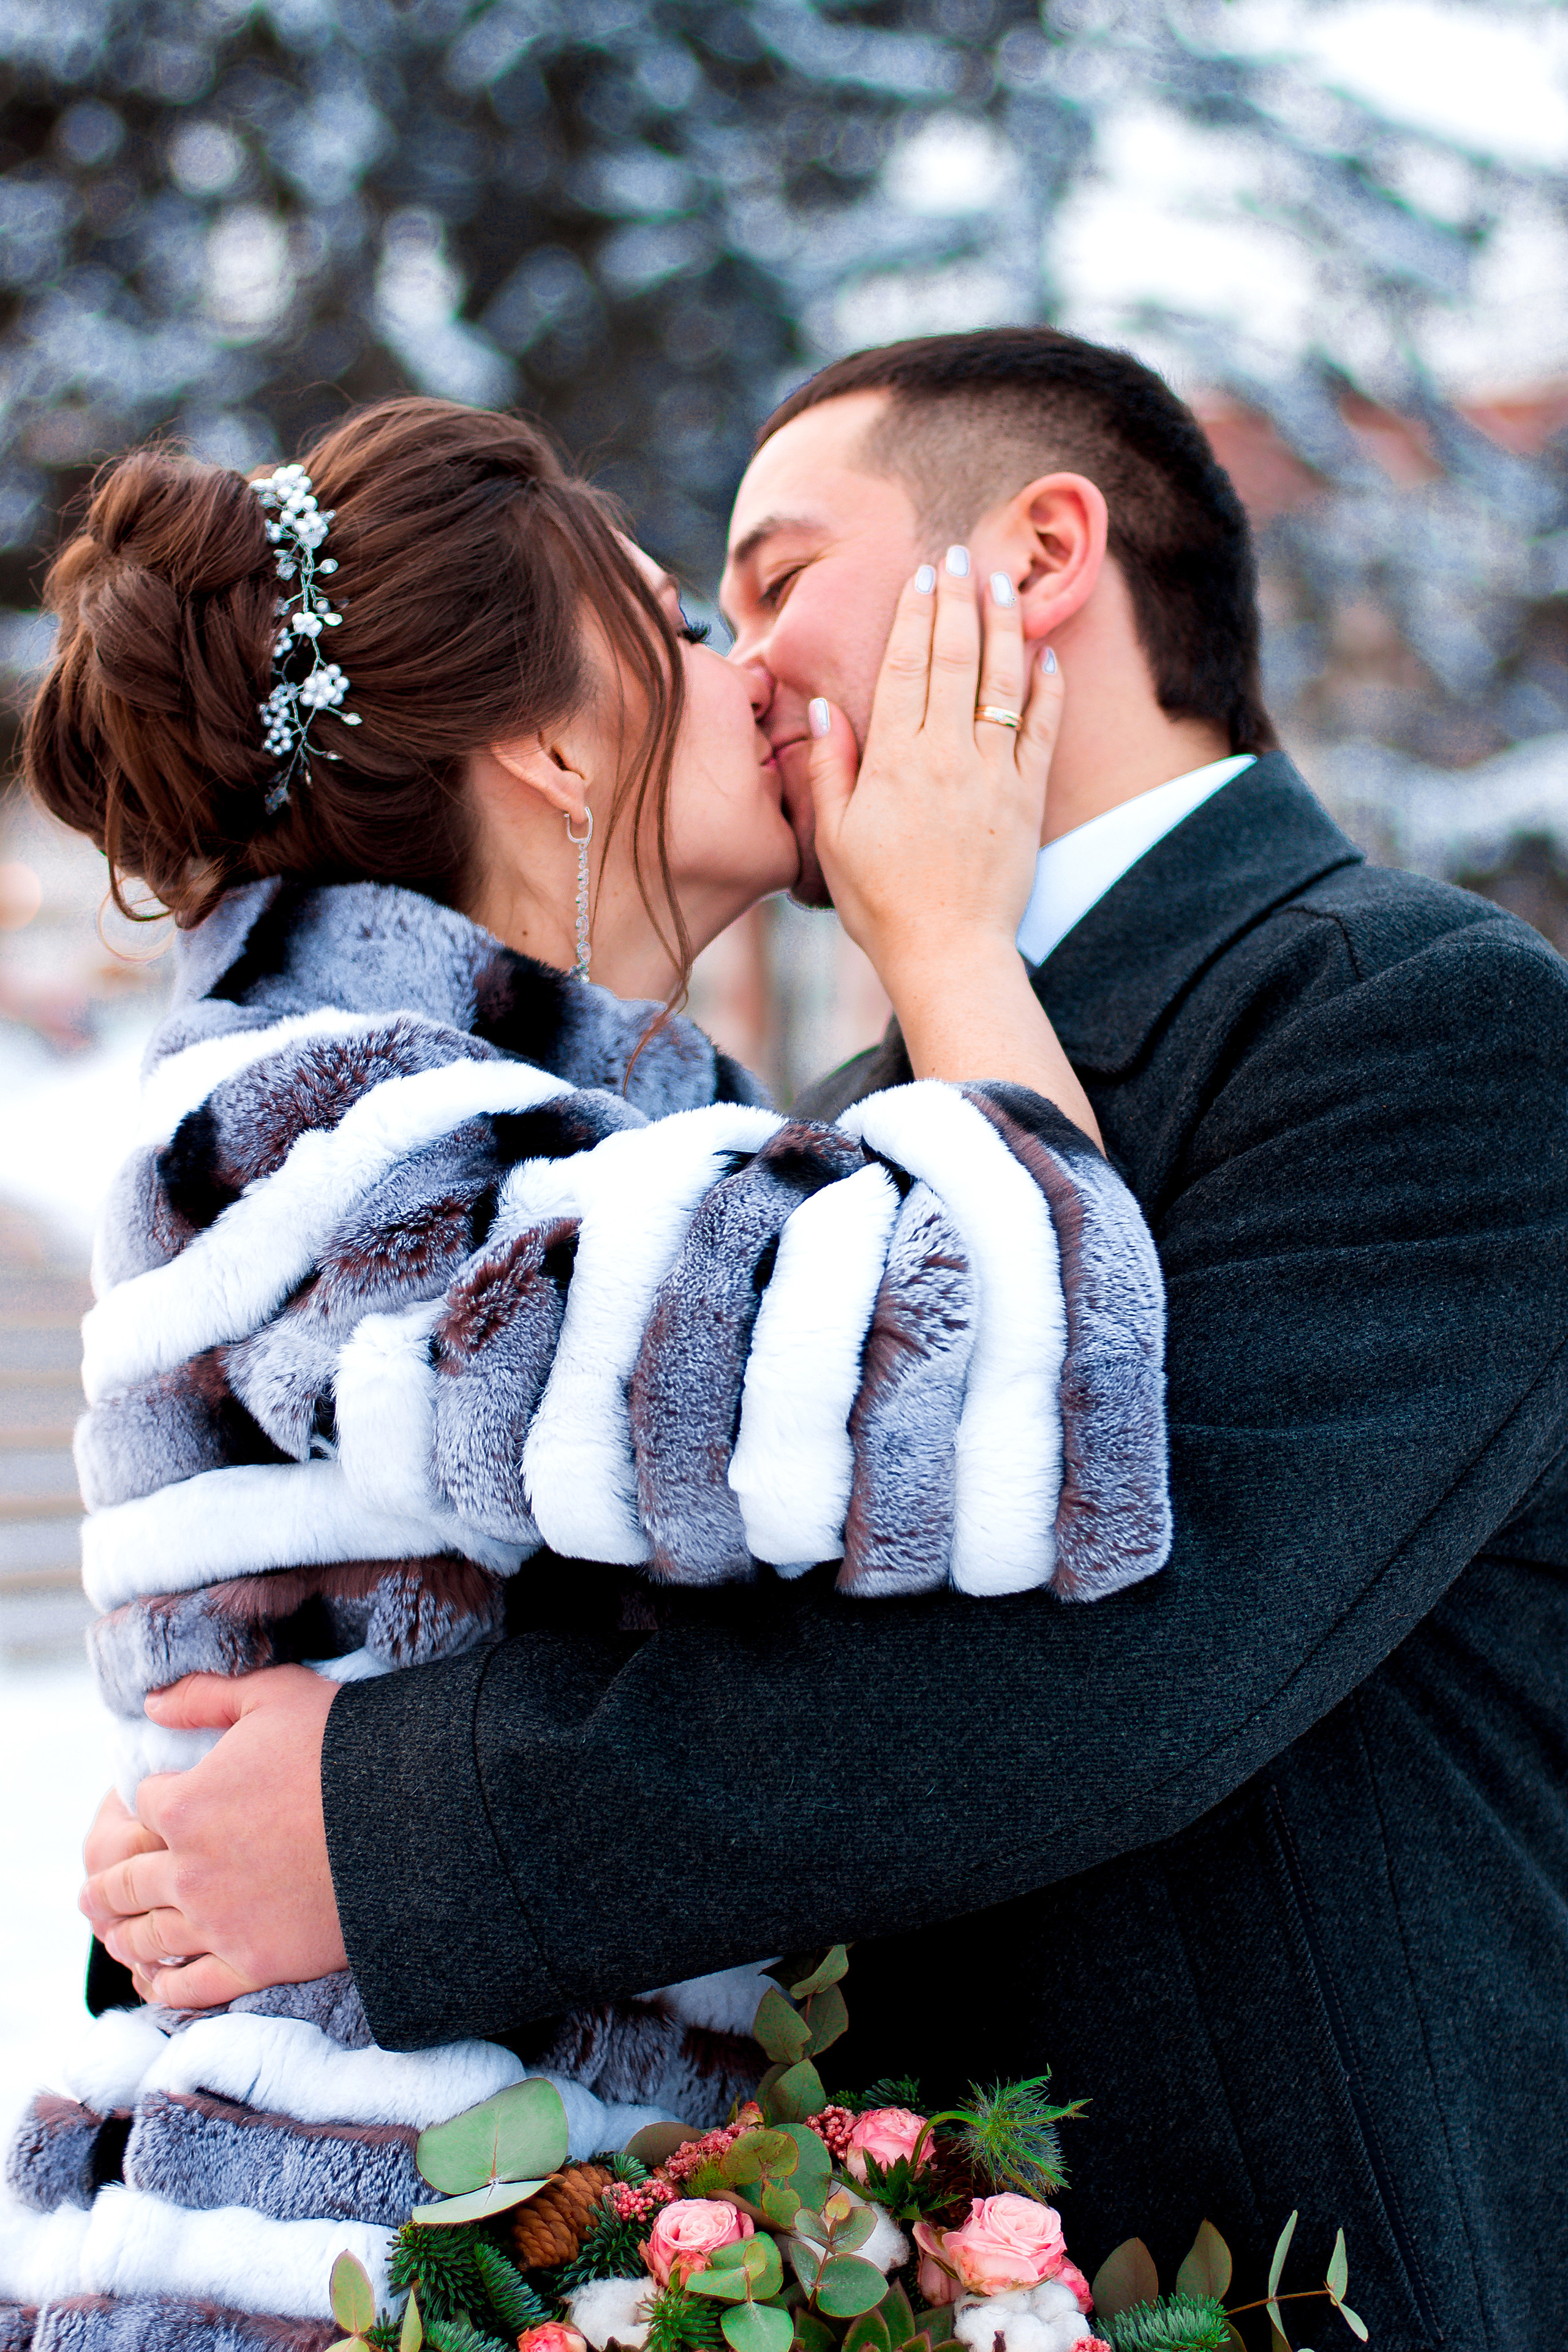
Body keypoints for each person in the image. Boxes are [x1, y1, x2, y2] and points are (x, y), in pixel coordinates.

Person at [72, 331, 1568, 2350]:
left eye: (768, 583)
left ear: (1042, 555)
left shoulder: (1416, 1021)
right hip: (767, 2256)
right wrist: (209, 1835)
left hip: (1284, 2262)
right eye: (697, 616)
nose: (749, 664)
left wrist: (375, 1826)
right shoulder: (810, 1140)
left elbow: (1124, 1662)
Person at [2, 393, 1169, 2337]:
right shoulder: (320, 1125)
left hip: (478, 2243)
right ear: (551, 744)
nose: (760, 675)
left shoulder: (575, 1142)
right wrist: (953, 939)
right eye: (692, 636)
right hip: (327, 2268)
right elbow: (1018, 1420)